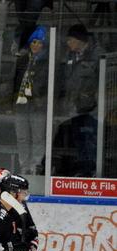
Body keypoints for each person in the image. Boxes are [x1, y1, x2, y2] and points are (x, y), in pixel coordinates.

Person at [55, 23, 100, 176]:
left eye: (70, 40)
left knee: (90, 140)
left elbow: (102, 80)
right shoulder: (70, 56)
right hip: (74, 107)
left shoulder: (96, 55)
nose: (68, 43)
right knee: (79, 140)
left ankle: (92, 171)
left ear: (79, 39)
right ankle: (84, 170)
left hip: (91, 109)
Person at [13, 27, 49, 175]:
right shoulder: (22, 60)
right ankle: (24, 166)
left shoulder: (48, 62)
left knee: (38, 137)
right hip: (21, 105)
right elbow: (15, 81)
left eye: (39, 42)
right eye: (33, 42)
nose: (36, 45)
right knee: (22, 137)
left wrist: (42, 98)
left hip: (38, 105)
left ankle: (36, 165)